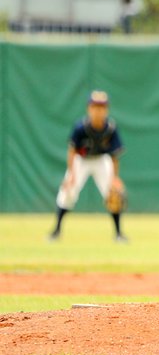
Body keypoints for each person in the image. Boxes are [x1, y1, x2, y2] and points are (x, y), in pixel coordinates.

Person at [50, 90, 128, 242]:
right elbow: (72, 152)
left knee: (113, 194)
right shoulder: (81, 127)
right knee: (67, 192)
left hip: (101, 161)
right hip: (81, 161)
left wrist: (114, 178)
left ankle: (118, 234)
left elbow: (114, 156)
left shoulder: (111, 128)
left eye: (102, 107)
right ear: (89, 108)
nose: (98, 110)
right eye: (95, 106)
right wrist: (72, 174)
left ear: (107, 109)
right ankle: (56, 231)